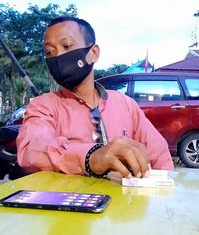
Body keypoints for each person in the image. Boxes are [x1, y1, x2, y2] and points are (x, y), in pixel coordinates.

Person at [16, 16, 174, 179]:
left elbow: (159, 155)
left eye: (67, 46)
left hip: (126, 202)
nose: (58, 57)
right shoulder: (43, 106)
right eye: (50, 52)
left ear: (94, 53)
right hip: (72, 202)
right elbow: (32, 150)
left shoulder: (125, 104)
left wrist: (165, 193)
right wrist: (92, 157)